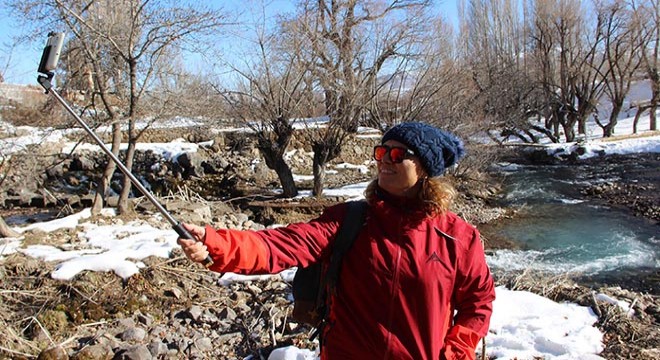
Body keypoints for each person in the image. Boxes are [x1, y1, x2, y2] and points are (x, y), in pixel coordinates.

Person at [178, 122, 496, 360]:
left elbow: (478, 302)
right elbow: (282, 245)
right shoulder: (351, 220)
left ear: (425, 167)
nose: (384, 160)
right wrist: (214, 243)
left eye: (398, 154)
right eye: (381, 152)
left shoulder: (457, 238)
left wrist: (455, 353)